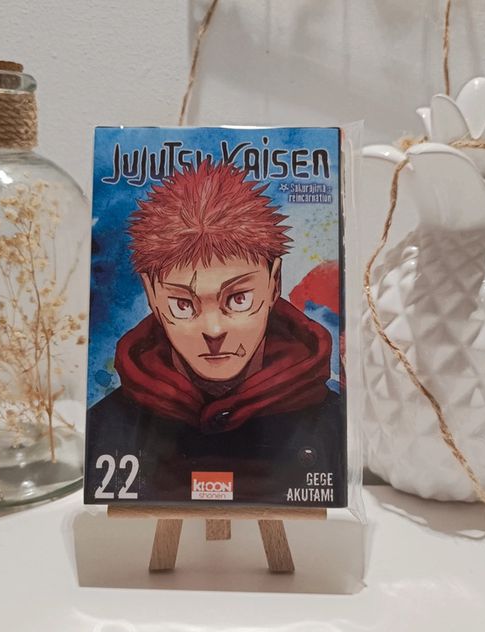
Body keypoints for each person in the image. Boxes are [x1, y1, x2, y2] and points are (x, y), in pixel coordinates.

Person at [85, 160, 345, 505]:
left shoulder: (331, 424)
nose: (213, 329)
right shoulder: (107, 426)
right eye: (183, 304)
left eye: (238, 299)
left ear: (274, 283)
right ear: (151, 295)